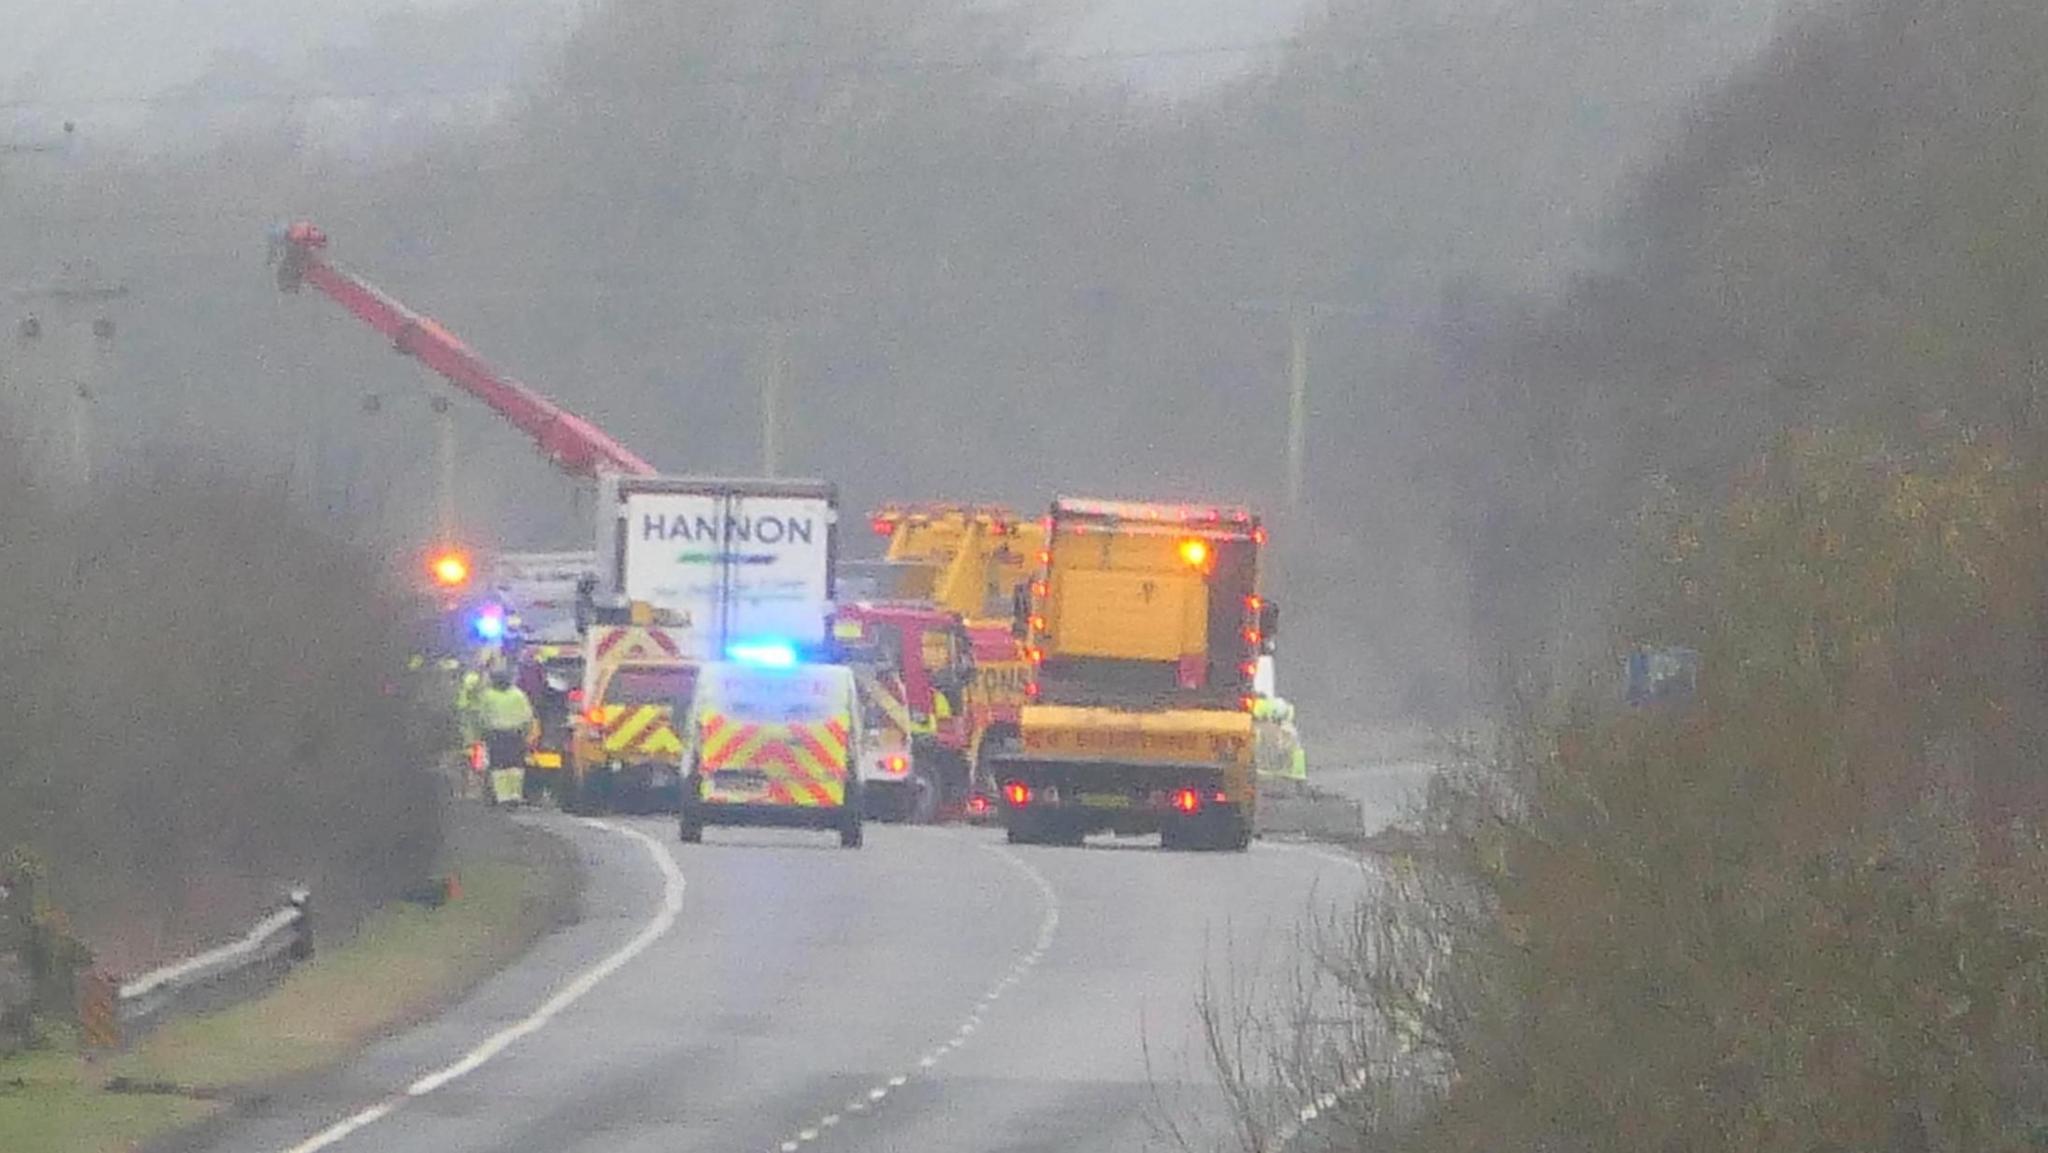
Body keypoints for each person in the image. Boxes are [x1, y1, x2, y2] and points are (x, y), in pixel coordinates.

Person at [477, 668, 536, 806]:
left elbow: (482, 716)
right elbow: (528, 716)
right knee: (516, 765)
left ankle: (503, 797)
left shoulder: (488, 695)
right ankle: (515, 795)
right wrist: (527, 733)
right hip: (516, 735)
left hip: (497, 735)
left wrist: (482, 732)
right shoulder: (518, 694)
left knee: (498, 766)